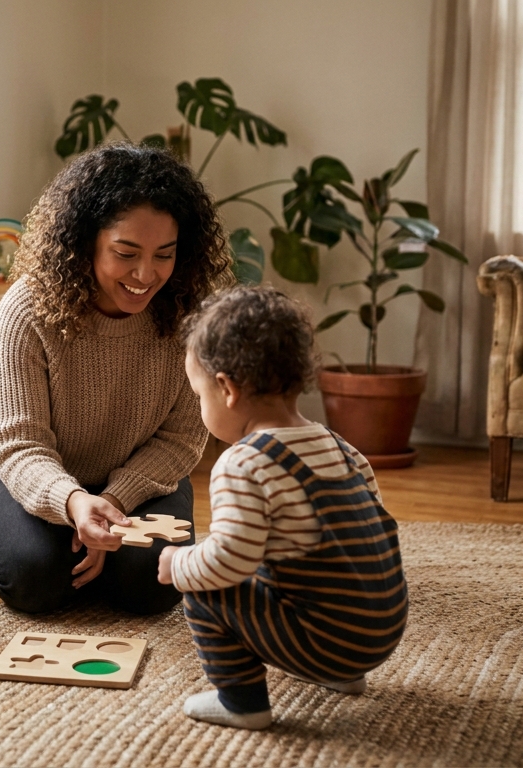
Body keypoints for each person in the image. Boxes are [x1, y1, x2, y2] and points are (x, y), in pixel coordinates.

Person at [0, 143, 231, 616]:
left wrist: (113, 502)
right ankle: (75, 550)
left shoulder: (190, 315)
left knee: (153, 587)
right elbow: (19, 442)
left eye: (165, 254)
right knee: (32, 582)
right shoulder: (26, 310)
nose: (145, 274)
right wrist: (74, 503)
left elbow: (180, 441)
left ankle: (102, 559)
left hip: (143, 483)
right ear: (85, 241)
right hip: (42, 475)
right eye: (126, 252)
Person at [158, 285, 408, 729]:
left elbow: (227, 563)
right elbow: (360, 539)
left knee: (205, 584)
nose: (201, 408)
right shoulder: (340, 446)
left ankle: (242, 702)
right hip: (383, 629)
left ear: (226, 389)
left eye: (199, 397)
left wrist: (179, 562)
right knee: (279, 558)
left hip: (330, 638)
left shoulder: (243, 462)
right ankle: (341, 673)